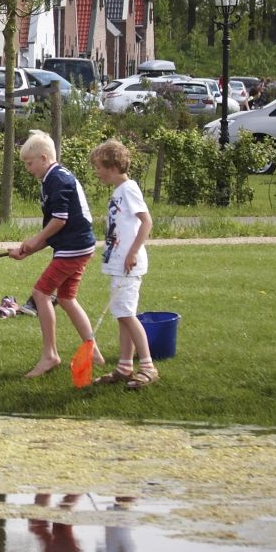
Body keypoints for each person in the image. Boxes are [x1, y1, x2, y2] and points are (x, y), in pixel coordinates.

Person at [7, 129, 97, 379]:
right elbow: (55, 229)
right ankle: (94, 350)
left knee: (41, 293)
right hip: (77, 245)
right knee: (67, 299)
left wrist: (35, 239)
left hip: (74, 247)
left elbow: (59, 220)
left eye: (29, 163)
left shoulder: (56, 180)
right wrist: (28, 251)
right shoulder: (54, 177)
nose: (27, 168)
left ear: (44, 158)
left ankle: (50, 355)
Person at [90, 138, 157, 389]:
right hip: (118, 265)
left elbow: (146, 222)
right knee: (121, 315)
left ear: (113, 166)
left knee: (127, 314)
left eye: (99, 167)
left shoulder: (129, 189)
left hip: (129, 265)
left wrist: (132, 253)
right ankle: (125, 366)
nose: (97, 172)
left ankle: (148, 366)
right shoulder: (119, 192)